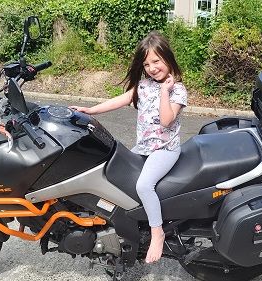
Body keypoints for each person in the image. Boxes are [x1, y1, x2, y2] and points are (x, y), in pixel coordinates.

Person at [70, 31, 187, 263]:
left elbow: (166, 120)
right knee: (114, 175)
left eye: (156, 61)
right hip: (143, 147)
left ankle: (157, 231)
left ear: (168, 58)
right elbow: (120, 100)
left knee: (144, 185)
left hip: (164, 150)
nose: (152, 68)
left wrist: (165, 90)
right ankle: (128, 225)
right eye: (147, 64)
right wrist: (90, 111)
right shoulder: (143, 85)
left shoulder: (178, 90)